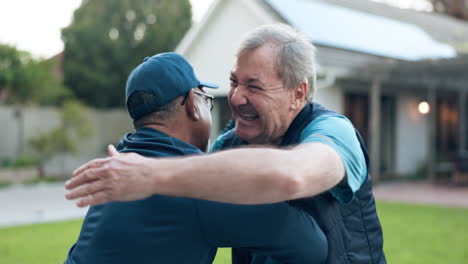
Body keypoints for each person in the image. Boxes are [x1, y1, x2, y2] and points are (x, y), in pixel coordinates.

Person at [66, 24, 386, 264]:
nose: (235, 97)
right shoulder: (228, 145)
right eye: (234, 81)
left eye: (253, 86)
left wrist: (152, 174)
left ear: (298, 93)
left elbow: (294, 175)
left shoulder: (334, 132)